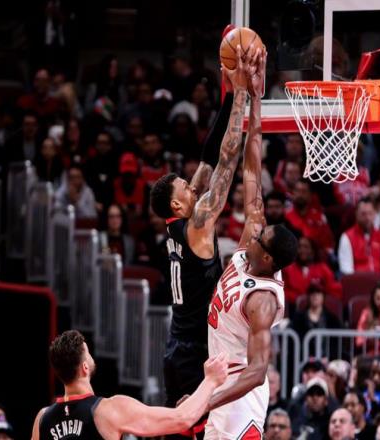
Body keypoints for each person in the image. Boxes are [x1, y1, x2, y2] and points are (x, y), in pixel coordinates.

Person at [149, 45, 251, 436]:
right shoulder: (198, 224)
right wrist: (242, 97)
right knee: (199, 430)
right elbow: (226, 161)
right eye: (186, 188)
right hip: (194, 350)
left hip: (178, 345)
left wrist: (227, 97)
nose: (193, 187)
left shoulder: (179, 223)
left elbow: (208, 159)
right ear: (178, 203)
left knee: (178, 429)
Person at [203, 48, 298, 439]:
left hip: (240, 394)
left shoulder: (263, 300)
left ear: (269, 258)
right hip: (221, 382)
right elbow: (253, 168)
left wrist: (206, 401)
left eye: (259, 238)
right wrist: (255, 98)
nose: (253, 231)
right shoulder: (252, 246)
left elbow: (258, 371)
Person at [30, 330, 228, 439]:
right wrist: (211, 380)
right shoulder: (109, 410)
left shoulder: (42, 419)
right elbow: (181, 419)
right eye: (88, 352)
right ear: (85, 367)